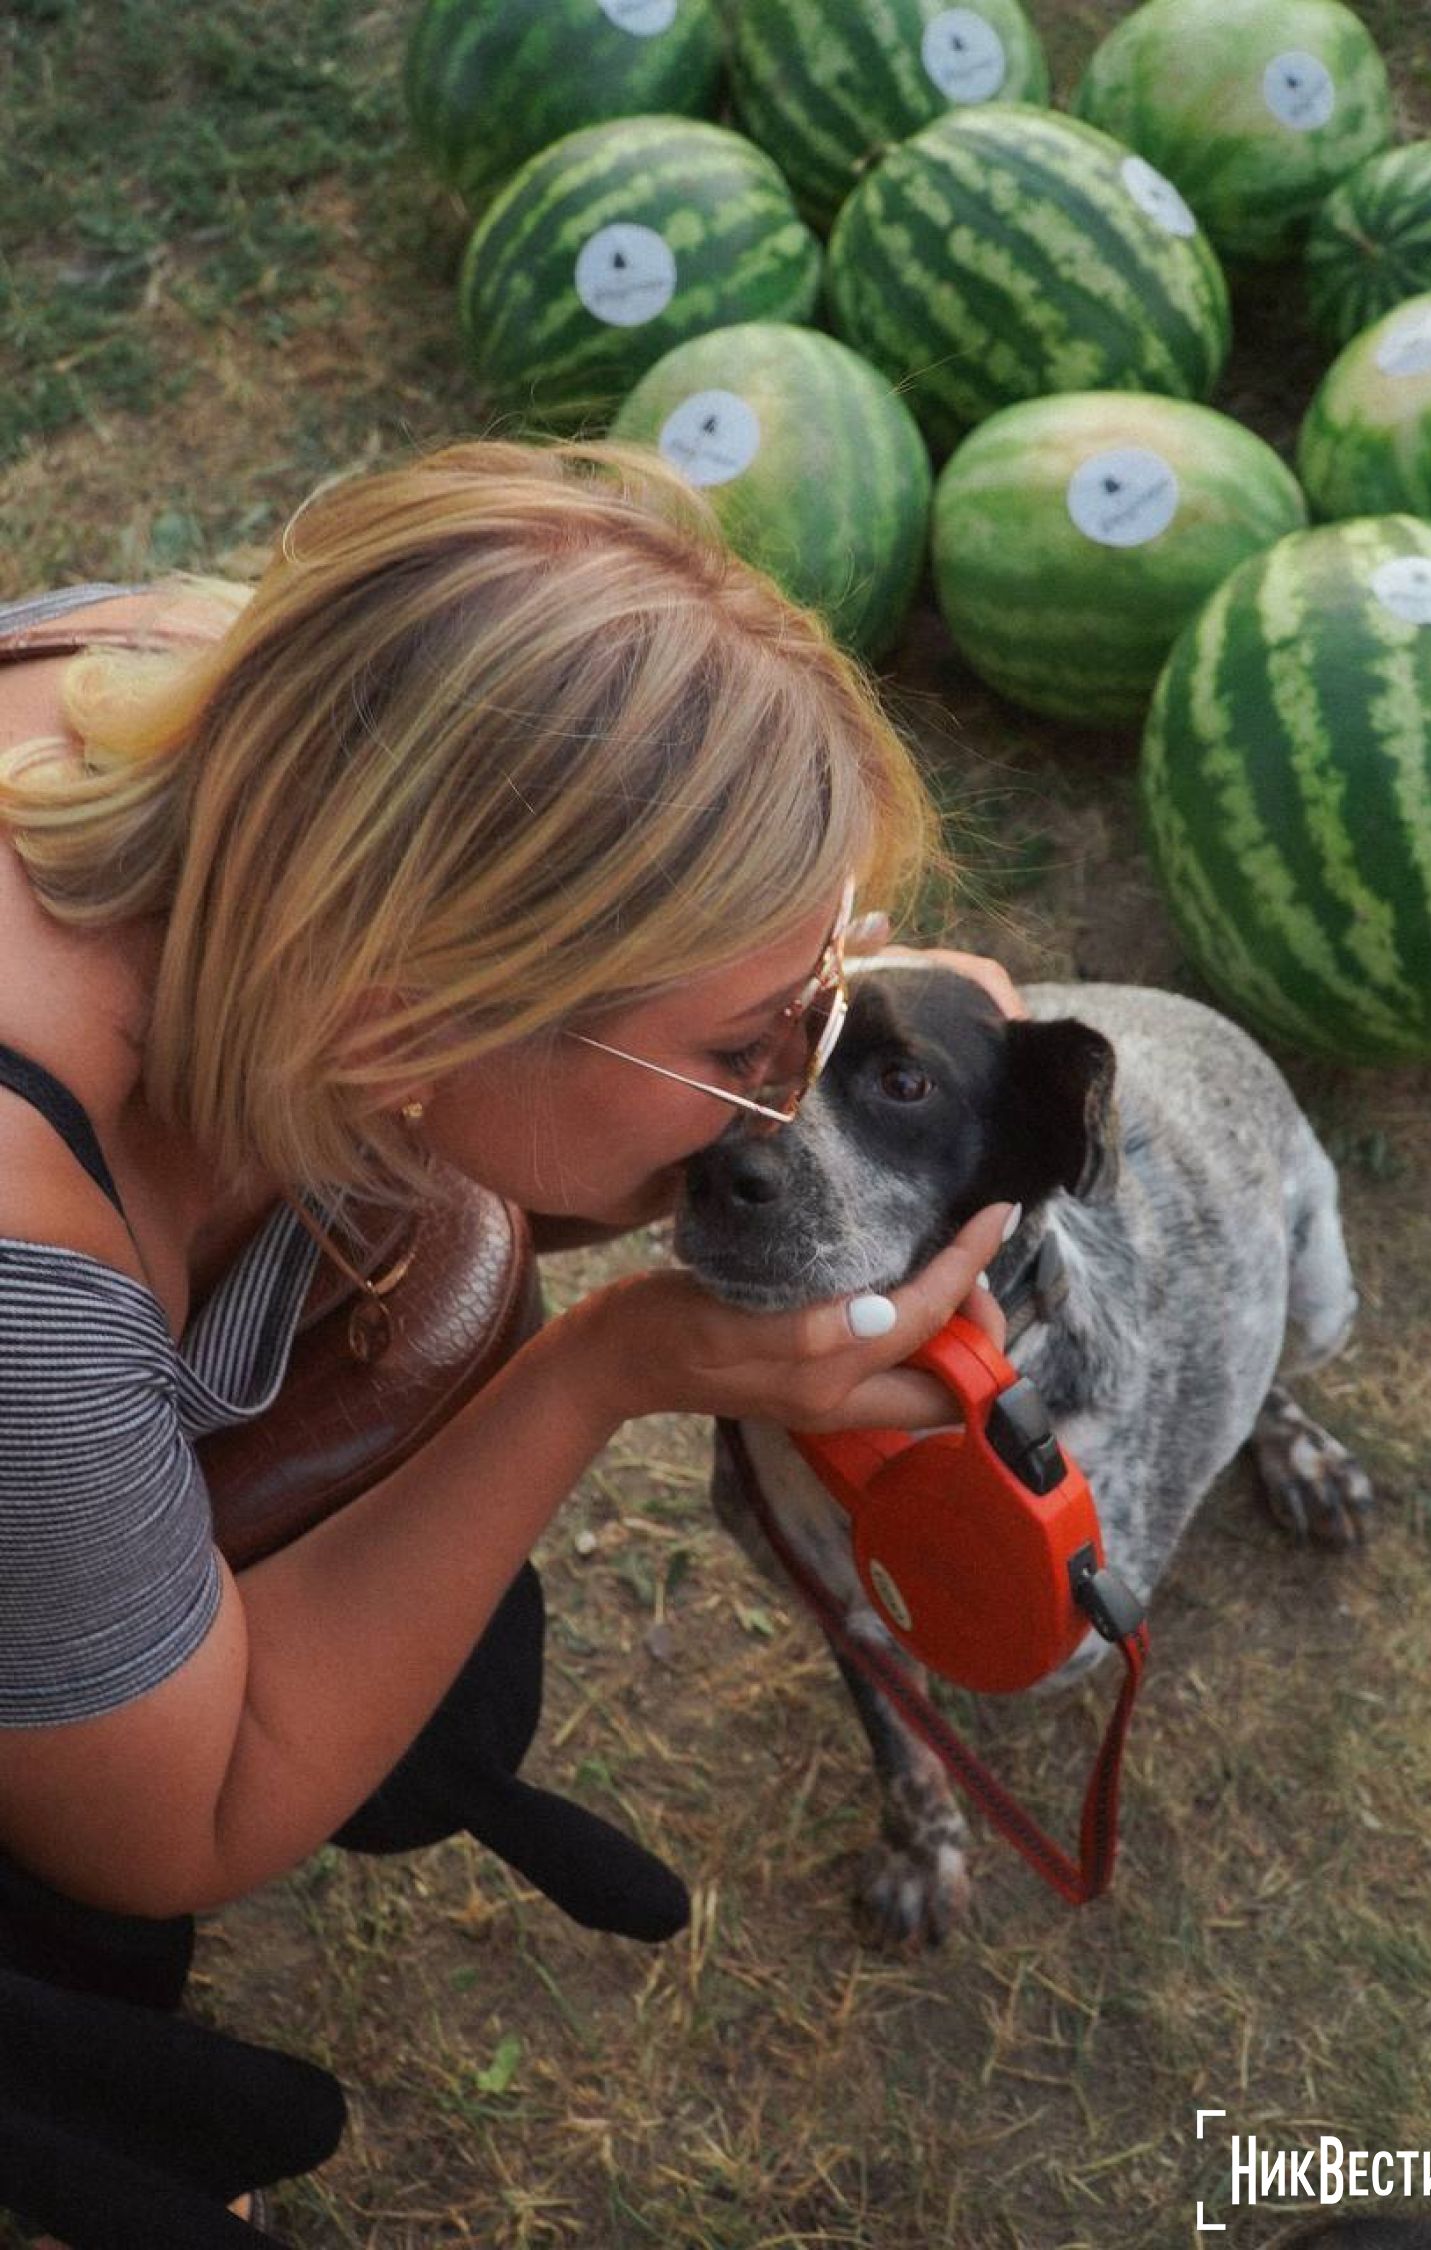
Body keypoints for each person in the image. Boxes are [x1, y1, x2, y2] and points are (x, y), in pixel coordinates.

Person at [0, 438, 1020, 2245]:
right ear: (411, 1021)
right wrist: (611, 1367)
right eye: (744, 1054)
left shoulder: (263, 694)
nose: (781, 1104)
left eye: (824, 995)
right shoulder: (20, 1284)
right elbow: (182, 1816)